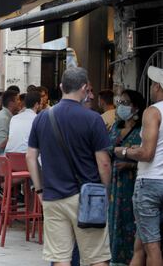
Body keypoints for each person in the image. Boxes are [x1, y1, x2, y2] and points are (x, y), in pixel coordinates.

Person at [27, 67, 111, 266]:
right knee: (97, 256)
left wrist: (39, 189)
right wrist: (105, 192)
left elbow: (30, 157)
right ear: (84, 88)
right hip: (86, 196)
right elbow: (104, 162)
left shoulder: (41, 118)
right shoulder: (93, 119)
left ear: (61, 87)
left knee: (60, 257)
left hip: (53, 196)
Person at [115, 66, 163, 266]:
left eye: (153, 84)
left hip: (151, 182)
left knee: (151, 245)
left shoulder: (153, 111)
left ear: (159, 86)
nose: (151, 87)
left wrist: (124, 151)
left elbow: (147, 153)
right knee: (140, 242)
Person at [108, 90, 145, 266]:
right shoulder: (116, 127)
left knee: (132, 221)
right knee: (114, 219)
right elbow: (106, 150)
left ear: (136, 107)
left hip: (133, 182)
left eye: (126, 102)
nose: (121, 105)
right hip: (115, 183)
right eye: (119, 101)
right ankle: (115, 259)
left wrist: (130, 165)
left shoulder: (143, 131)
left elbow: (148, 158)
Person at [0, 90, 21, 159]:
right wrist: (16, 135)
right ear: (11, 103)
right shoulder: (4, 118)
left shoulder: (6, 116)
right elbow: (1, 144)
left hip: (0, 157)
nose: (20, 102)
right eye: (18, 99)